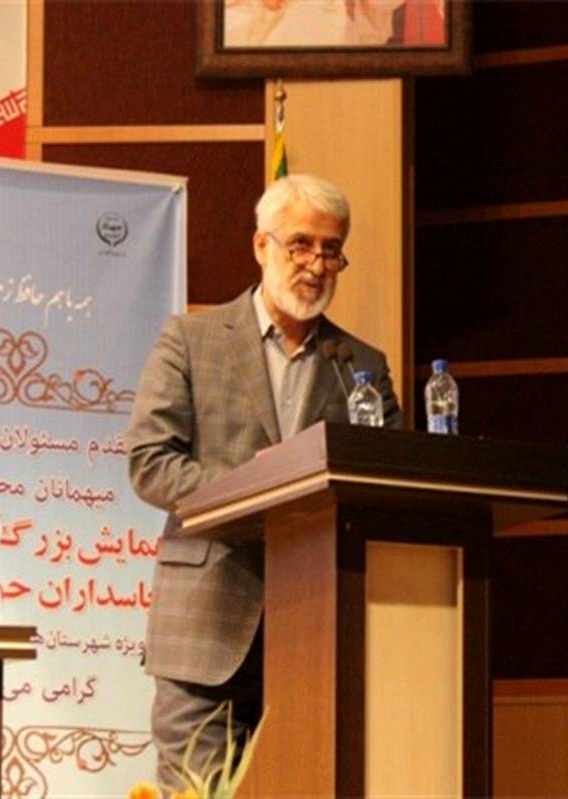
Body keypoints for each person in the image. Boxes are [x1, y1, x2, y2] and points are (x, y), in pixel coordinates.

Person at [126, 174, 402, 788]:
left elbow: (389, 482)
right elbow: (150, 461)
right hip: (207, 629)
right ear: (261, 245)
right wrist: (258, 488)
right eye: (300, 244)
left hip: (319, 630)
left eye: (331, 250)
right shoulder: (190, 340)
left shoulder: (359, 365)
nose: (316, 265)